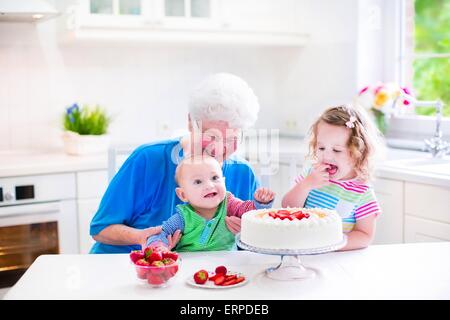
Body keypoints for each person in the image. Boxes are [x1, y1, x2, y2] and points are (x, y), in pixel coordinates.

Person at [90, 73, 261, 254]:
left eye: (232, 138)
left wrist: (248, 234)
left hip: (201, 276)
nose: (220, 149)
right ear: (190, 123)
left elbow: (258, 242)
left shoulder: (243, 174)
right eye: (211, 136)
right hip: (128, 266)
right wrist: (141, 237)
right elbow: (100, 229)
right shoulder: (148, 160)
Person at [282, 104, 384, 251]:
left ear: (358, 153)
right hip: (303, 251)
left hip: (334, 259)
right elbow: (287, 207)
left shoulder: (362, 193)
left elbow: (365, 235)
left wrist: (333, 243)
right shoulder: (311, 174)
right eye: (321, 148)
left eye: (337, 150)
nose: (327, 156)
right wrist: (306, 185)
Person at [146, 156, 275, 252]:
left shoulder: (229, 203)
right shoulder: (183, 217)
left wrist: (261, 203)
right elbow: (160, 233)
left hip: (226, 269)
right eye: (198, 182)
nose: (209, 185)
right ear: (183, 195)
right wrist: (159, 247)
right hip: (189, 269)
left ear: (224, 182)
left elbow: (248, 212)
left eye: (215, 178)